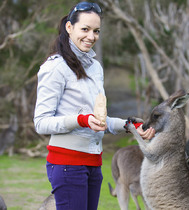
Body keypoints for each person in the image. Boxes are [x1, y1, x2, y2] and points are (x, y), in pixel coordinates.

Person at [33, 2, 155, 210]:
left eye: (96, 31)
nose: (91, 36)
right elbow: (41, 123)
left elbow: (98, 120)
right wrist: (81, 120)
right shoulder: (55, 67)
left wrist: (129, 126)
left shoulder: (95, 68)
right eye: (85, 29)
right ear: (69, 28)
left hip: (93, 164)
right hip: (67, 165)